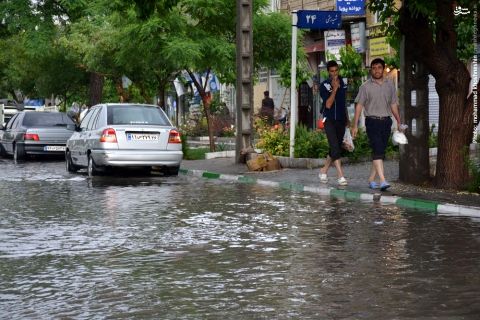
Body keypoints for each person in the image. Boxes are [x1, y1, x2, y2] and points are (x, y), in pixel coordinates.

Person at [351, 58, 402, 191]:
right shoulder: (365, 86)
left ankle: (371, 179)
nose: (376, 70)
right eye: (374, 68)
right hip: (372, 121)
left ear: (383, 69)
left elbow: (393, 105)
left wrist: (399, 121)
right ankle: (383, 180)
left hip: (386, 122)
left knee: (379, 151)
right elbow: (359, 106)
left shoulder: (390, 85)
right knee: (378, 149)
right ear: (371, 70)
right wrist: (355, 125)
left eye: (379, 67)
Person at [318, 60, 349, 186]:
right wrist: (334, 89)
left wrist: (348, 120)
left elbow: (344, 102)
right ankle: (340, 175)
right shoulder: (324, 85)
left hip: (341, 120)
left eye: (336, 70)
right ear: (328, 72)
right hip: (328, 119)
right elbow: (328, 104)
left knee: (335, 147)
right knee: (335, 147)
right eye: (332, 71)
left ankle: (324, 170)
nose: (335, 73)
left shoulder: (344, 82)